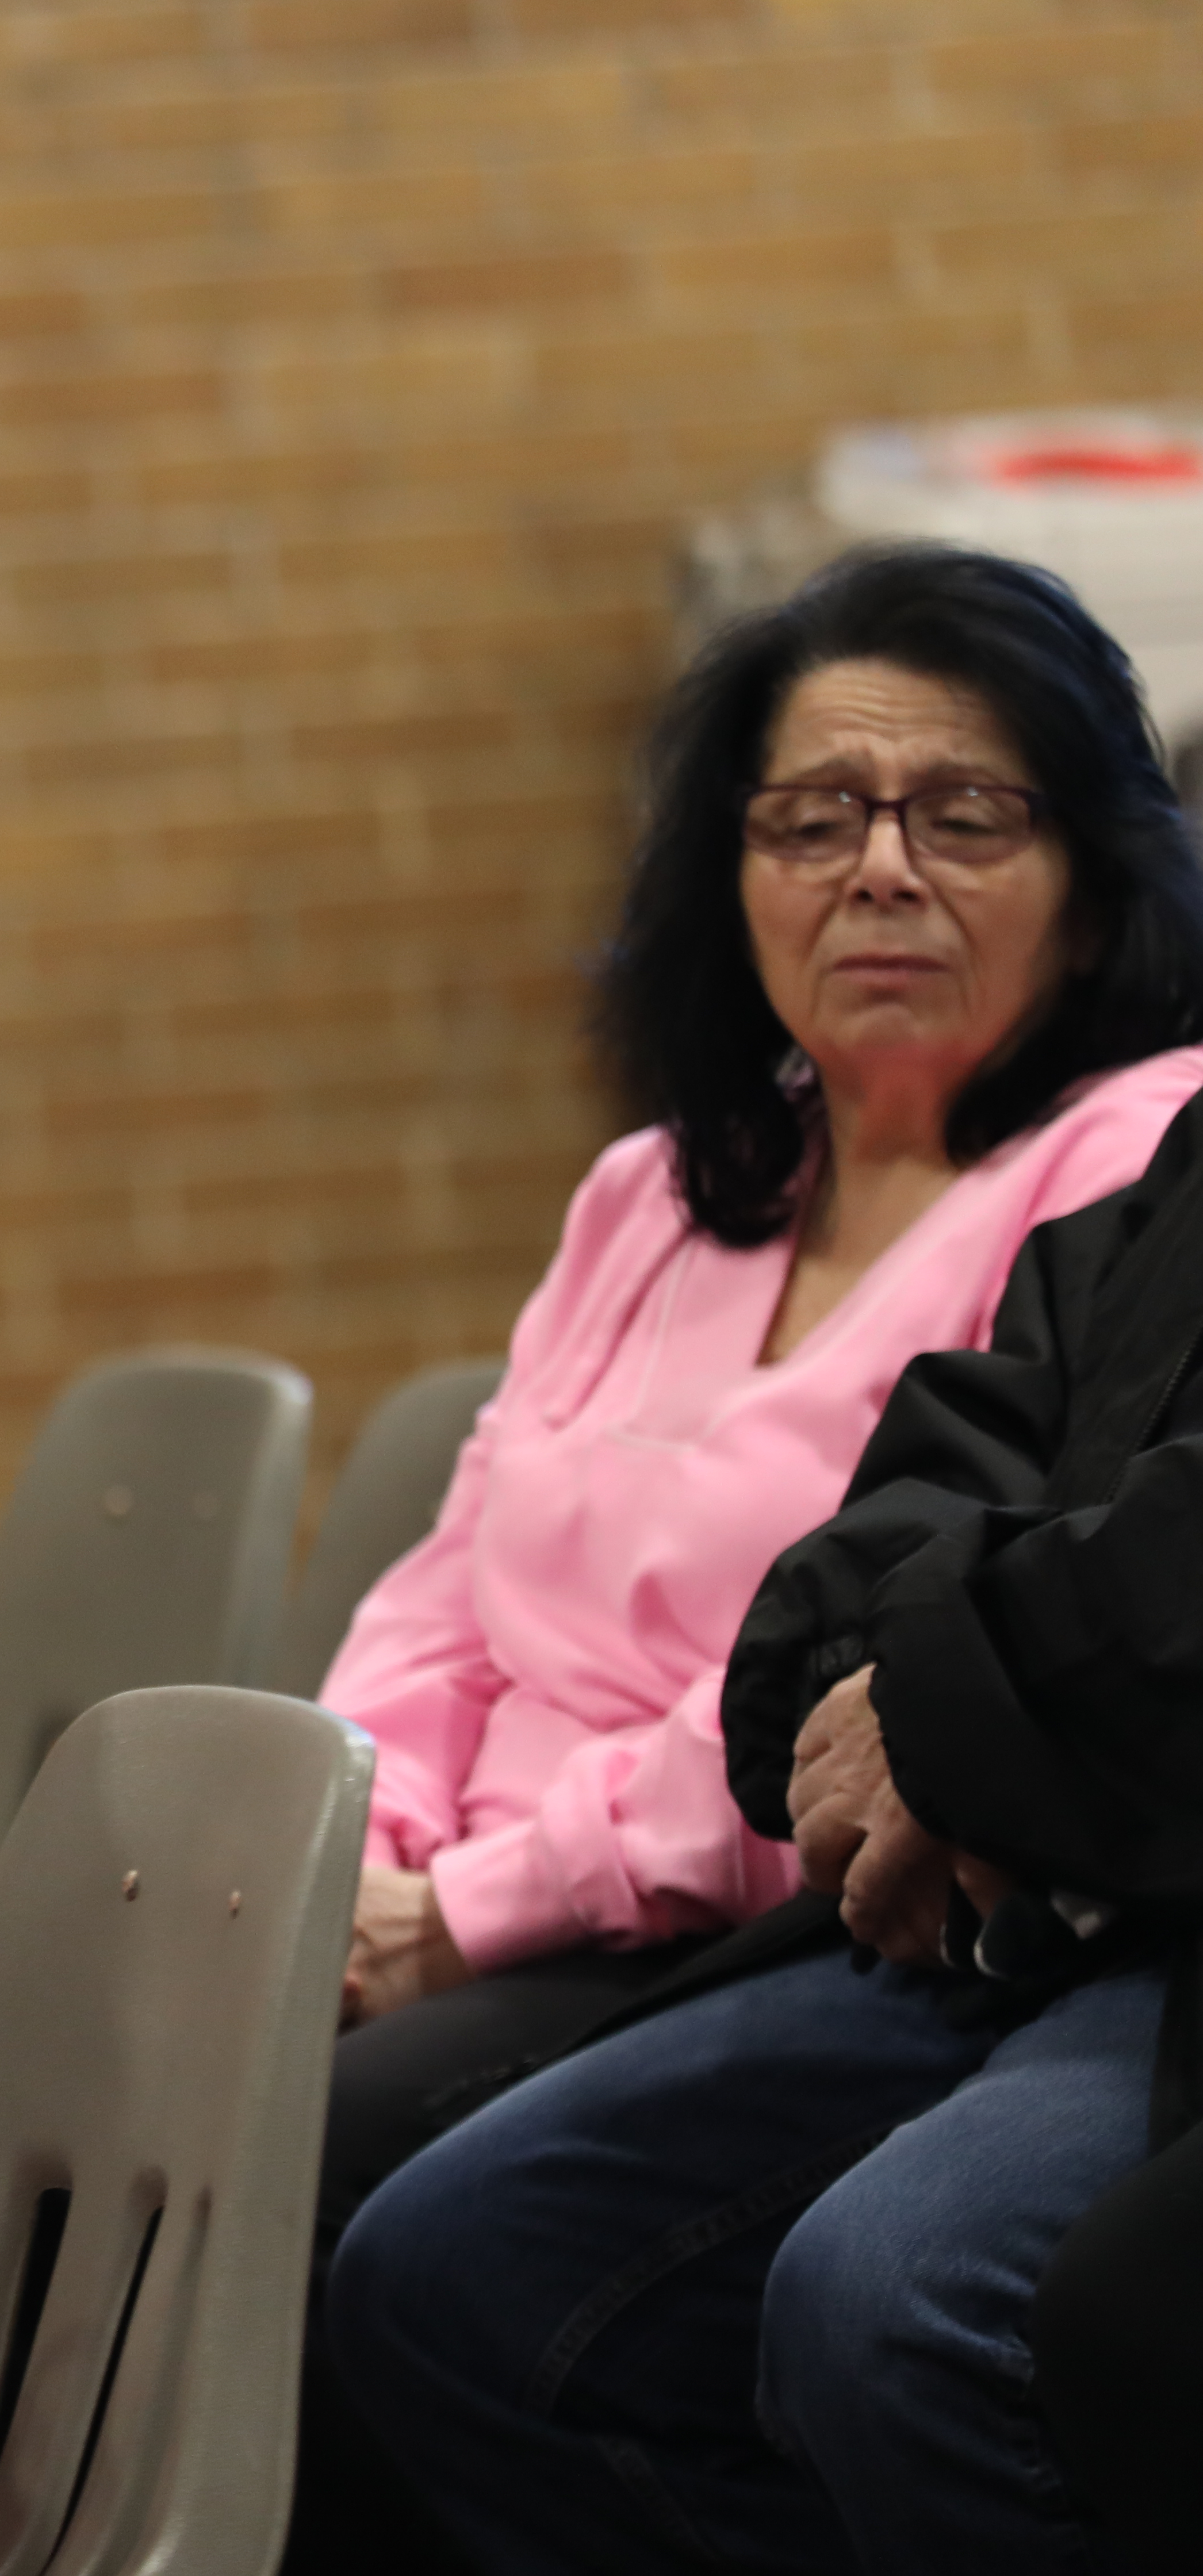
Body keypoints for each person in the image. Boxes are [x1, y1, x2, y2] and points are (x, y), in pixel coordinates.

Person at [283, 545, 1203, 2562]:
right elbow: (456, 1579)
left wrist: (467, 1914)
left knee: (352, 2175)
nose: (882, 870)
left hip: (762, 1890)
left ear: (1100, 866)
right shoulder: (667, 1188)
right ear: (731, 874)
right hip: (587, 1869)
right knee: (228, 2116)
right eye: (813, 820)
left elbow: (912, 1665)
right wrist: (352, 1848)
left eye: (964, 813)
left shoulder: (1134, 1138)